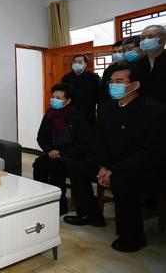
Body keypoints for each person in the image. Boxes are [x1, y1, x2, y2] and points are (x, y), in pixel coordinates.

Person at [67, 64, 165, 252]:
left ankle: (133, 236)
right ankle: (91, 215)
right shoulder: (106, 108)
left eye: (119, 82)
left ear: (135, 85)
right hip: (110, 163)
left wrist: (114, 170)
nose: (113, 85)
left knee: (122, 179)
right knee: (77, 167)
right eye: (111, 82)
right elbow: (98, 139)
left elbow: (151, 152)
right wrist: (103, 166)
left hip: (145, 168)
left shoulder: (154, 111)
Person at [32, 83, 92, 216]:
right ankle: (42, 200)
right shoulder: (49, 115)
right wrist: (49, 151)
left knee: (56, 169)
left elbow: (84, 143)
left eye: (59, 98)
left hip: (72, 155)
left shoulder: (77, 117)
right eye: (53, 97)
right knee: (39, 165)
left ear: (68, 101)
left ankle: (60, 205)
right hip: (52, 153)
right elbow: (41, 138)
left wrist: (61, 153)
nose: (54, 100)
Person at [61, 54, 101, 128]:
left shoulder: (94, 78)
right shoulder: (66, 78)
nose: (76, 64)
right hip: (70, 114)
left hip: (88, 114)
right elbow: (63, 96)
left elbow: (99, 97)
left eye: (80, 62)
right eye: (75, 62)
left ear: (85, 64)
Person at [135, 25, 166, 106]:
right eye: (142, 38)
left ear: (163, 39)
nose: (145, 40)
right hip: (143, 110)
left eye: (150, 36)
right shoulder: (138, 63)